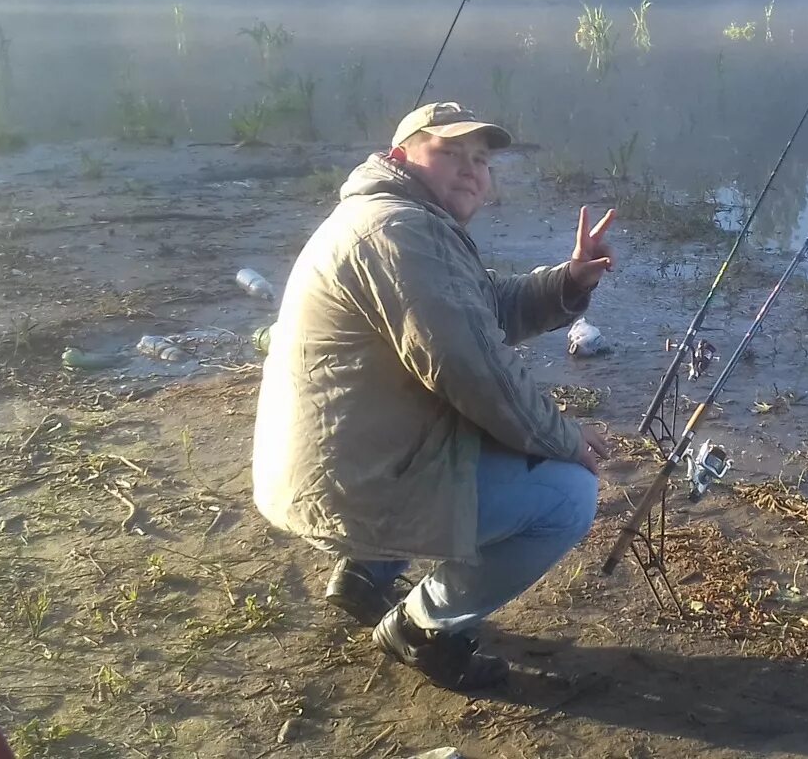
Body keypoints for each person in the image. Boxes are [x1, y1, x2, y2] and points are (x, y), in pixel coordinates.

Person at [252, 101, 616, 691]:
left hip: (339, 468)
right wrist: (567, 439)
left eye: (481, 159)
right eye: (450, 151)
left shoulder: (398, 219)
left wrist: (570, 280)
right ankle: (420, 627)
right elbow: (472, 369)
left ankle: (366, 572)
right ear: (400, 155)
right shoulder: (399, 231)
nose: (472, 169)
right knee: (569, 494)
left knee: (491, 441)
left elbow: (482, 308)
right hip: (350, 486)